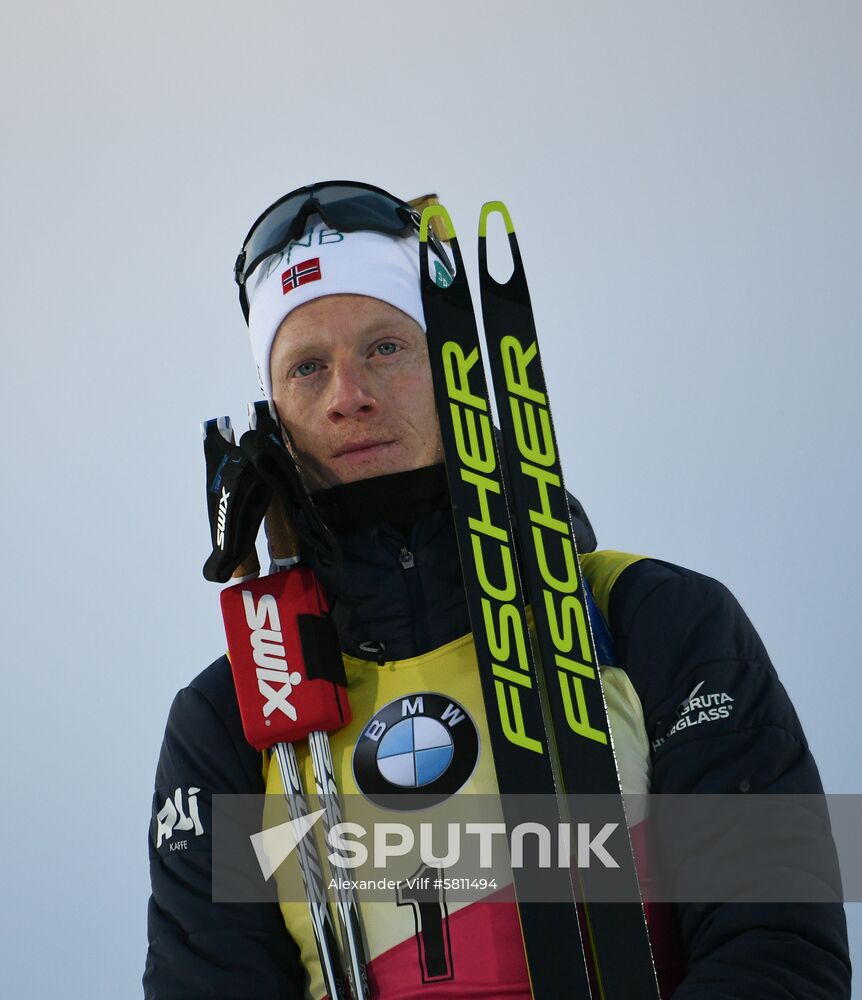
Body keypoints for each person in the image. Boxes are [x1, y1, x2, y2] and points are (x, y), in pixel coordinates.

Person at [144, 180, 851, 998]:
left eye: (384, 347)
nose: (350, 397)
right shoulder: (228, 723)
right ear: (273, 418)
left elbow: (778, 952)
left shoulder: (654, 622)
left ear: (457, 371)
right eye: (307, 367)